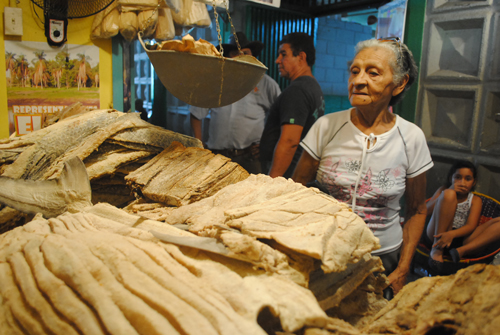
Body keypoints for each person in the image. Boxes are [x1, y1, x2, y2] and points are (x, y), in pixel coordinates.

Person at [292, 38, 433, 294]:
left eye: (373, 72)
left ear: (399, 83)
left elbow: (416, 210)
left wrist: (402, 270)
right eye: (354, 71)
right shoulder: (327, 126)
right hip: (325, 252)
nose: (357, 80)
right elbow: (294, 190)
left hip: (382, 258)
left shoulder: (411, 137)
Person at [190, 32, 281, 174]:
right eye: (236, 53)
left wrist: (268, 144)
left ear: (253, 57)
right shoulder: (214, 82)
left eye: (245, 53)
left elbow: (280, 117)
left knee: (252, 195)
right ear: (228, 57)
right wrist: (199, 146)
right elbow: (196, 113)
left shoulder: (266, 84)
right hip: (217, 157)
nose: (241, 57)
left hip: (250, 159)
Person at [260, 32, 325, 178]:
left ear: (301, 57)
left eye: (283, 54)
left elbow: (290, 141)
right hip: (297, 171)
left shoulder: (297, 90)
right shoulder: (313, 86)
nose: (278, 60)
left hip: (286, 174)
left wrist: (272, 180)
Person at [425, 161, 482, 272]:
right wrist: (449, 190)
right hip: (435, 234)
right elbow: (426, 211)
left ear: (474, 182)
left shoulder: (475, 200)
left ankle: (459, 250)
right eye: (458, 177)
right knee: (449, 195)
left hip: (456, 238)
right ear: (451, 178)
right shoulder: (444, 190)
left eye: (468, 179)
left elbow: (471, 226)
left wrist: (451, 234)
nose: (462, 183)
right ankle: (437, 250)